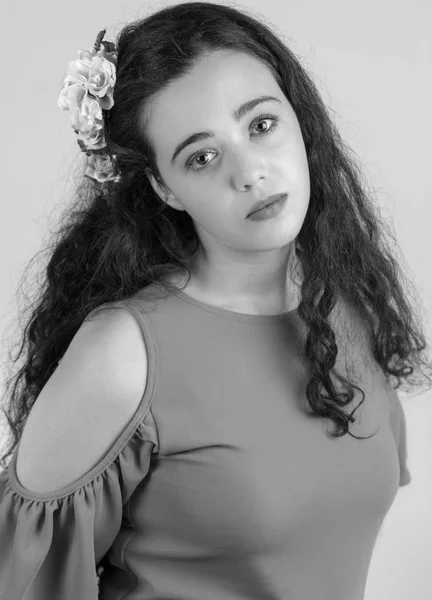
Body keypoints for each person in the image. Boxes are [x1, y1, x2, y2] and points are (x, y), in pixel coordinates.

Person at [0, 2, 430, 599]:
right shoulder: (125, 354)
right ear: (163, 188)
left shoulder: (345, 306)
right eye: (202, 157)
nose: (249, 171)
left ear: (298, 118)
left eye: (260, 125)